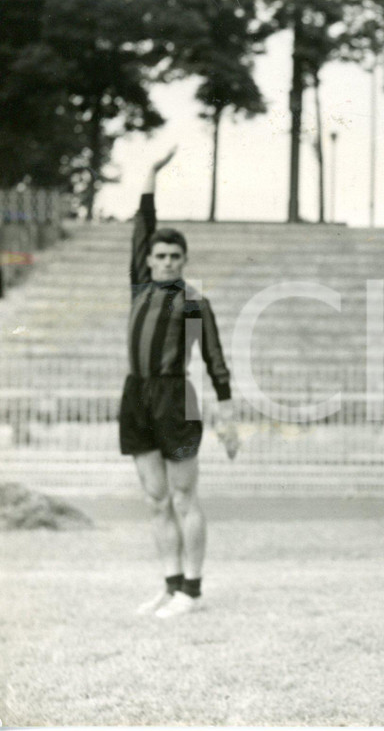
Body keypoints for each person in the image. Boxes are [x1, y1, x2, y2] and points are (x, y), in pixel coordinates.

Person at [121, 147, 239, 619]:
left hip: (177, 398)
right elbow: (142, 224)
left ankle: (193, 590)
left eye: (175, 256)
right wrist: (149, 174)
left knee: (185, 495)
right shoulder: (139, 284)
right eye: (161, 255)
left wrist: (227, 413)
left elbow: (213, 358)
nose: (167, 262)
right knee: (155, 499)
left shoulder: (193, 302)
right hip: (136, 395)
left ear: (185, 261)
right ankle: (171, 586)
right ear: (148, 261)